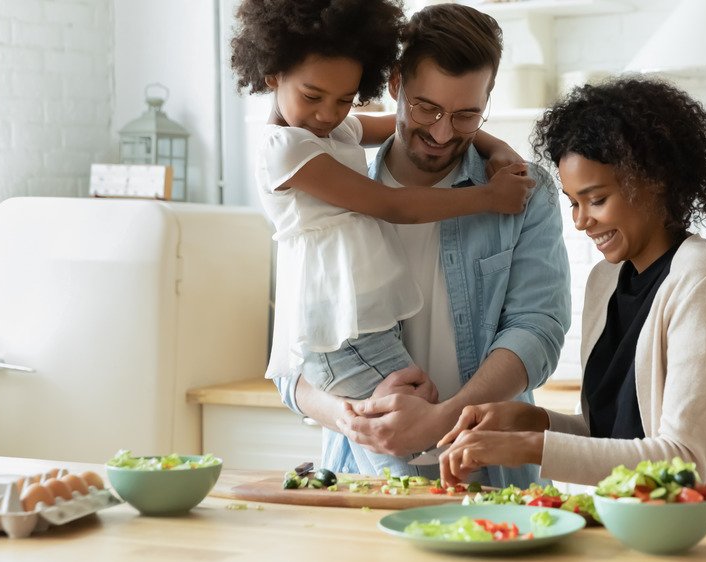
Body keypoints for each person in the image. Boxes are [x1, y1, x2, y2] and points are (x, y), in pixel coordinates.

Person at [435, 76, 706, 515]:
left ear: (656, 182)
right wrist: (527, 420)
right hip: (641, 532)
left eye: (596, 199)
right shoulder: (605, 282)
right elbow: (613, 435)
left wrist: (531, 448)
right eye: (573, 201)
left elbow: (682, 461)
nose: (581, 221)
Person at [230, 0, 537, 477]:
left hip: (369, 330)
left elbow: (536, 329)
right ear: (272, 74)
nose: (328, 114)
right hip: (345, 335)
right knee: (407, 471)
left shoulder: (332, 133)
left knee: (414, 462)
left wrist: (495, 146)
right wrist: (488, 198)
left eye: (343, 99)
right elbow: (391, 205)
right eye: (313, 96)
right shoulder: (285, 149)